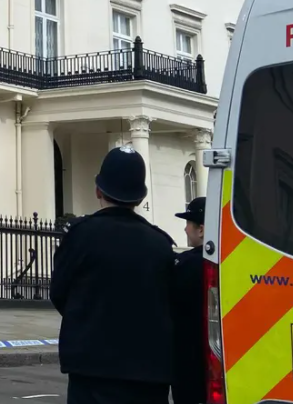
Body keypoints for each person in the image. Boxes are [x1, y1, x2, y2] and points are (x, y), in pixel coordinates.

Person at [51, 146, 176, 404]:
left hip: (92, 366)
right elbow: (171, 303)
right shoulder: (161, 244)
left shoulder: (80, 235)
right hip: (148, 372)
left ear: (98, 190)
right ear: (140, 198)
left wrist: (88, 317)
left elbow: (59, 293)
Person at [172, 197, 207, 404]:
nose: (185, 229)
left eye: (188, 224)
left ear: (200, 230)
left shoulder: (186, 264)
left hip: (187, 359)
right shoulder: (232, 260)